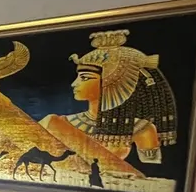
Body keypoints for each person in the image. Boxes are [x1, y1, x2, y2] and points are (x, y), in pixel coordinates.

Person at [65, 29, 177, 164]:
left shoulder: (142, 129)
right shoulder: (63, 122)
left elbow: (152, 172)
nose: (74, 84)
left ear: (114, 83)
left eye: (84, 78)